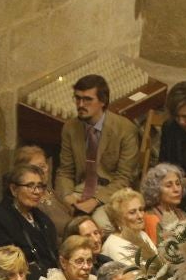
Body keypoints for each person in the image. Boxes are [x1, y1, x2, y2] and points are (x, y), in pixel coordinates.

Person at [56, 74, 143, 220]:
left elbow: (124, 178)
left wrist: (95, 201)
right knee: (55, 222)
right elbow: (65, 171)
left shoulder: (125, 129)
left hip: (112, 194)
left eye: (87, 99)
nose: (81, 105)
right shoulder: (70, 127)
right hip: (79, 190)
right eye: (77, 98)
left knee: (102, 224)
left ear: (103, 101)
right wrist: (67, 196)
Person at [0, 162, 60, 280]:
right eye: (30, 186)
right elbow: (6, 264)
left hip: (53, 276)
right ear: (14, 189)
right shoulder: (0, 219)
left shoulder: (42, 218)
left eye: (40, 186)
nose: (37, 191)